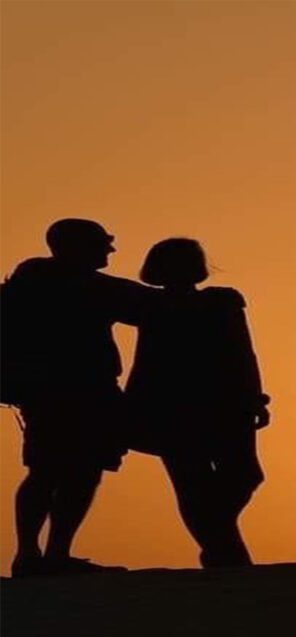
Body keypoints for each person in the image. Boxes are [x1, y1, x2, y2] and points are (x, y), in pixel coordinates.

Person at [1, 218, 151, 577]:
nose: (110, 249)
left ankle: (35, 555)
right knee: (69, 472)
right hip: (77, 391)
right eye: (103, 242)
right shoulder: (83, 287)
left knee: (54, 472)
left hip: (48, 393)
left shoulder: (29, 284)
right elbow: (150, 305)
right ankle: (48, 554)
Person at [125, 238, 269, 568]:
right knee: (192, 480)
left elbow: (242, 352)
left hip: (225, 402)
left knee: (243, 474)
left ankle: (218, 542)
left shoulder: (222, 300)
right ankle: (225, 552)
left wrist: (254, 397)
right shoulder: (150, 305)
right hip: (170, 404)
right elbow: (147, 360)